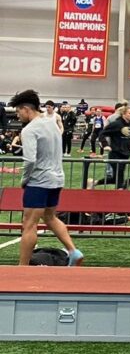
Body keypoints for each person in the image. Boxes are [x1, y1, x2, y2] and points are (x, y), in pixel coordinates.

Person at [9, 90, 83, 267]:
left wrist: (24, 179)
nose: (18, 116)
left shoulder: (30, 129)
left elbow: (30, 160)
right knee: (50, 217)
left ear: (26, 109)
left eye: (18, 111)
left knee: (29, 223)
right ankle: (73, 251)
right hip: (57, 179)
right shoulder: (52, 123)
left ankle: (22, 267)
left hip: (39, 181)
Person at [91, 105, 130, 189]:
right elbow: (102, 133)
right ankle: (120, 190)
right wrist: (105, 145)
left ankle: (94, 183)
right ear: (124, 114)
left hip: (125, 154)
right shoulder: (116, 124)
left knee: (115, 178)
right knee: (119, 174)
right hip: (115, 153)